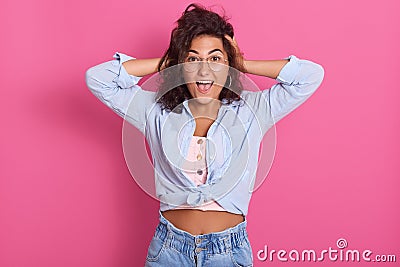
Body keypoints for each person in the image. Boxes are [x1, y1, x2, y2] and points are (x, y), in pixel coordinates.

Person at [85, 3, 324, 266]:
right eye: (193, 59)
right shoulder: (155, 110)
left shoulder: (253, 110)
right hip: (168, 250)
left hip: (229, 252)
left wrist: (242, 64)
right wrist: (168, 62)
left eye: (215, 58)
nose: (204, 70)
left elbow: (310, 76)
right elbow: (98, 79)